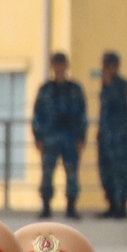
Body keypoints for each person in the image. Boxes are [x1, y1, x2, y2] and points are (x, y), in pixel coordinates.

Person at [31, 54, 86, 219]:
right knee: (47, 173)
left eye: (62, 64)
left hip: (70, 137)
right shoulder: (45, 89)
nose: (59, 67)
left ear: (66, 66)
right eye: (56, 64)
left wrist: (81, 137)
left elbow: (82, 115)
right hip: (50, 138)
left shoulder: (75, 89)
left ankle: (71, 207)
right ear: (52, 66)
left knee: (72, 173)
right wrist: (37, 136)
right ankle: (46, 206)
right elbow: (37, 114)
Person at [96, 52, 127, 218]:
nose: (107, 68)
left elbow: (118, 103)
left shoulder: (122, 84)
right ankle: (111, 203)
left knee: (121, 171)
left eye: (110, 65)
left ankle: (122, 205)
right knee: (106, 171)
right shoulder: (104, 84)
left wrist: (109, 83)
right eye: (105, 65)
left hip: (119, 137)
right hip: (105, 136)